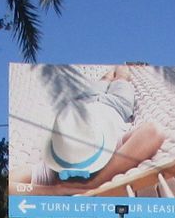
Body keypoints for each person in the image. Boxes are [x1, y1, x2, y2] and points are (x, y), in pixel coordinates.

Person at [34, 65, 164, 193]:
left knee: (105, 79)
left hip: (85, 102)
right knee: (122, 78)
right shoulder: (111, 148)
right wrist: (96, 182)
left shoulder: (58, 158)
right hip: (117, 104)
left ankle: (113, 68)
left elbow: (13, 183)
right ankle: (121, 63)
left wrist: (53, 191)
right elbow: (153, 132)